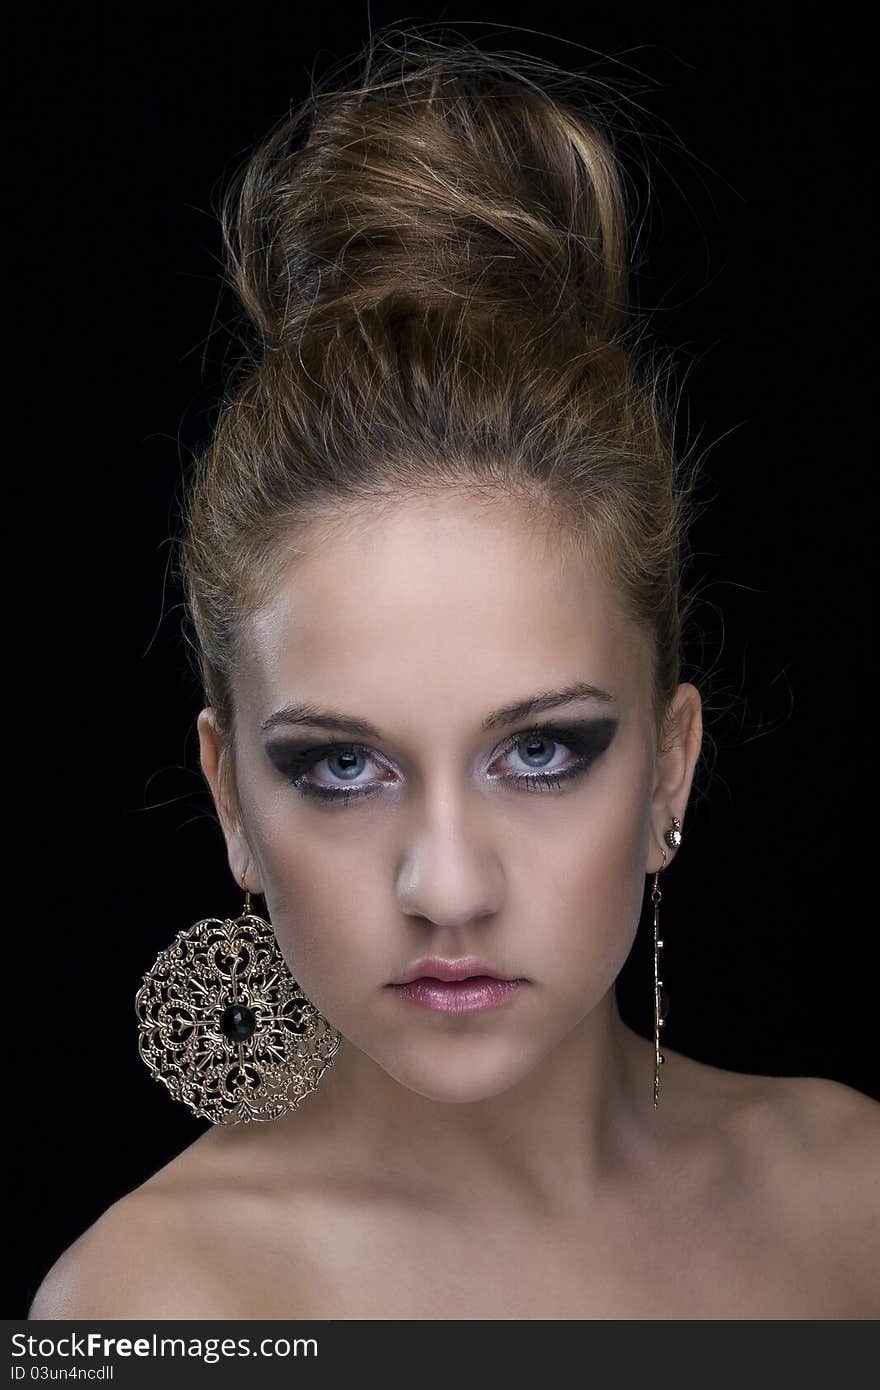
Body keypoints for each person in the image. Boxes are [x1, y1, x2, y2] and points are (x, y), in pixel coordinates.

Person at [29, 32, 879, 1321]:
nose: (446, 887)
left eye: (539, 751)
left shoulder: (855, 1201)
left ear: (671, 762)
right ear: (231, 800)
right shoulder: (150, 1309)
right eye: (343, 766)